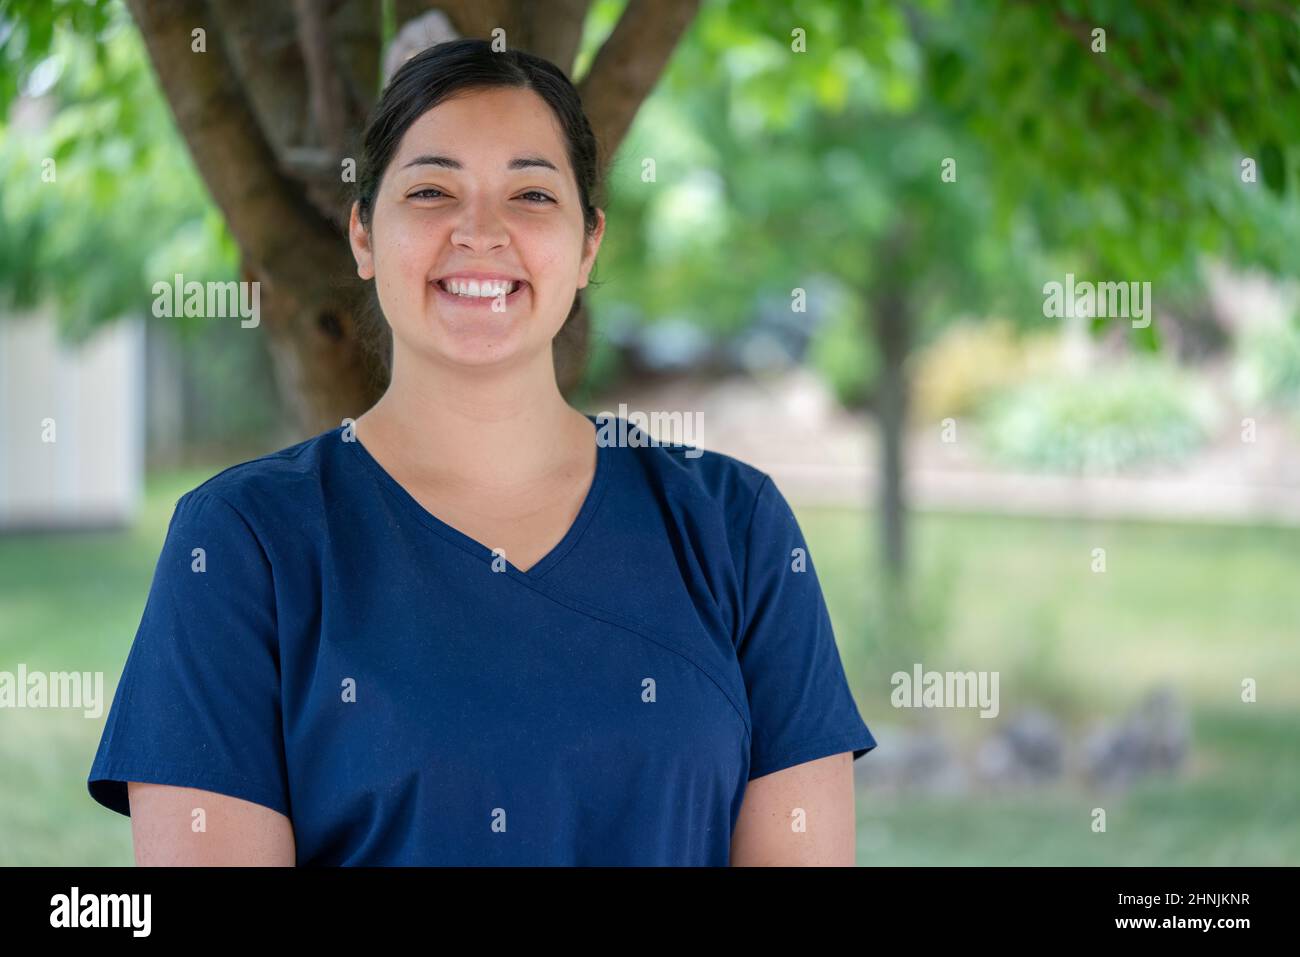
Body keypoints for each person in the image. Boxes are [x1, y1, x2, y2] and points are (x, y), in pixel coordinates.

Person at [87, 37, 876, 866]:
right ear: (363, 235)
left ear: (587, 246)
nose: (480, 232)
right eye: (431, 190)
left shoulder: (737, 529)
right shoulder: (243, 543)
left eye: (532, 194)